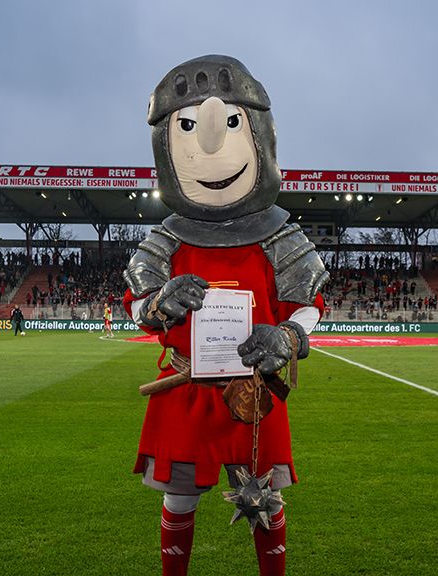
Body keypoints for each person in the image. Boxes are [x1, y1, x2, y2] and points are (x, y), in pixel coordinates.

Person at [124, 55, 327, 576]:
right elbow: (138, 305)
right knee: (179, 500)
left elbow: (309, 305)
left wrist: (288, 335)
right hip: (186, 389)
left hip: (254, 395)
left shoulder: (281, 236)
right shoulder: (166, 239)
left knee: (268, 504)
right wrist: (159, 302)